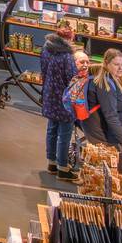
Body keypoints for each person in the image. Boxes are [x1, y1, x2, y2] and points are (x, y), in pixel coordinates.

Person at [39, 19, 79, 181]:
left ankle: (52, 163)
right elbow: (71, 78)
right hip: (64, 98)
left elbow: (43, 70)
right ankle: (63, 168)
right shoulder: (67, 56)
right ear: (68, 39)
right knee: (65, 133)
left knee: (52, 129)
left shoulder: (46, 50)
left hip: (49, 94)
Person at [82, 49, 122, 167]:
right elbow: (111, 117)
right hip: (101, 131)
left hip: (108, 130)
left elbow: (116, 101)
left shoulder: (112, 78)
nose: (120, 68)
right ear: (106, 64)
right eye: (116, 64)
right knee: (107, 166)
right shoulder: (105, 84)